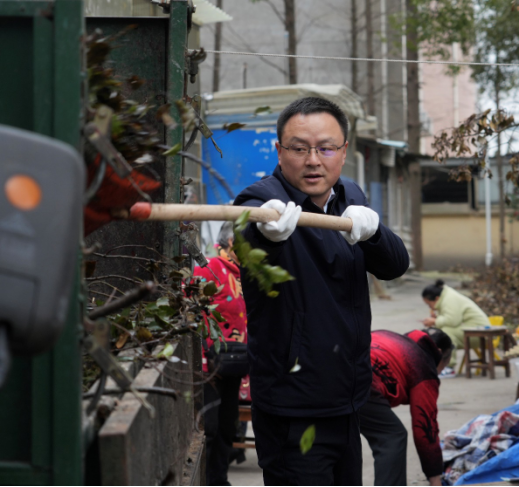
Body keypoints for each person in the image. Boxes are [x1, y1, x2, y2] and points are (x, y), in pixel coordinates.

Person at [233, 97, 410, 486]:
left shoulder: (350, 197)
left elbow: (395, 266)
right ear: (279, 151)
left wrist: (375, 233)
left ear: (343, 152)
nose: (313, 160)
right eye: (299, 148)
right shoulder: (261, 203)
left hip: (349, 399)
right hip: (293, 408)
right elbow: (249, 243)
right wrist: (266, 236)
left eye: (326, 148)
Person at [359, 328, 454, 487]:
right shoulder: (422, 365)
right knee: (392, 437)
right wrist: (435, 478)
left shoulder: (389, 336)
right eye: (443, 366)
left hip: (330, 369)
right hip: (363, 381)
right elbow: (425, 427)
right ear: (438, 353)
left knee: (342, 437)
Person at [193, 222, 248, 486]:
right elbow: (191, 305)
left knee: (228, 426)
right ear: (231, 243)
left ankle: (219, 480)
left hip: (236, 362)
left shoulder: (247, 274)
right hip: (210, 364)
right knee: (211, 428)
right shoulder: (209, 268)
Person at [422, 279, 489, 378]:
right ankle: (442, 365)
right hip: (472, 330)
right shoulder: (446, 296)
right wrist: (437, 319)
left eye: (429, 304)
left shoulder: (449, 298)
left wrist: (435, 321)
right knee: (442, 332)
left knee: (446, 333)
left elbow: (452, 321)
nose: (430, 307)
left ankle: (449, 367)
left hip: (479, 332)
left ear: (436, 298)